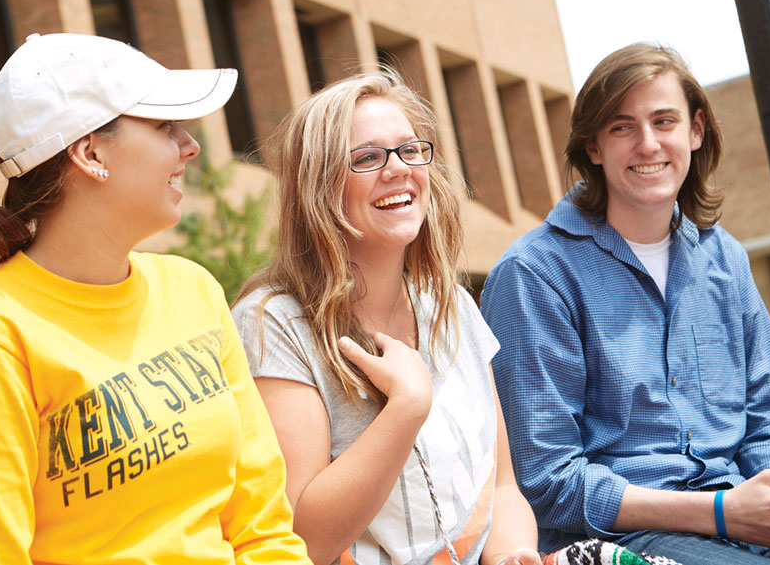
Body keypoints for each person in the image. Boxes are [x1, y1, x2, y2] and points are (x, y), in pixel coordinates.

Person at [0, 32, 311, 565]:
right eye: (165, 126)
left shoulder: (193, 290)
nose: (190, 146)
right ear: (90, 152)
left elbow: (264, 525)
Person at [479, 42, 770, 565]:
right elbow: (547, 481)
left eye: (664, 121)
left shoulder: (723, 258)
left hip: (754, 517)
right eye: (622, 127)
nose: (647, 144)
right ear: (592, 147)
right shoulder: (534, 275)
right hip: (633, 540)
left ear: (696, 130)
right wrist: (722, 513)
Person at [231, 70, 543, 565]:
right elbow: (301, 541)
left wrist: (515, 556)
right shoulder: (273, 326)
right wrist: (405, 409)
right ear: (320, 187)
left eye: (410, 150)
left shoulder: (452, 305)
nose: (398, 169)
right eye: (367, 157)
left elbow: (502, 486)